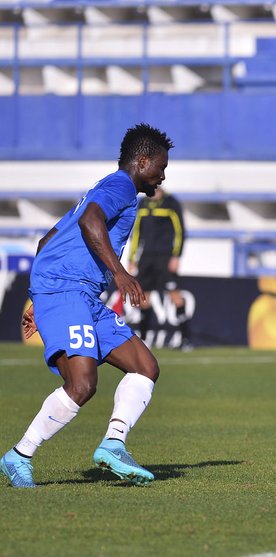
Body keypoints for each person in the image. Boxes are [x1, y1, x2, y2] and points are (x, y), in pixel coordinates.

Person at [1, 123, 173, 488]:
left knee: (145, 366)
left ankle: (113, 444)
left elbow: (48, 239)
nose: (162, 176)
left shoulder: (108, 188)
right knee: (81, 383)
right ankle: (19, 455)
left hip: (78, 295)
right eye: (160, 166)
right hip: (66, 290)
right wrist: (120, 273)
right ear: (142, 161)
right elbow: (89, 220)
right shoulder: (121, 185)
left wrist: (35, 297)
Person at [128, 184, 190, 350]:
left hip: (165, 256)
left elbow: (180, 231)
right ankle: (144, 338)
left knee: (174, 294)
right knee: (144, 297)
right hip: (146, 258)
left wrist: (176, 256)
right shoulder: (142, 203)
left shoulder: (171, 202)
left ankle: (185, 339)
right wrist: (132, 258)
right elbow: (136, 234)